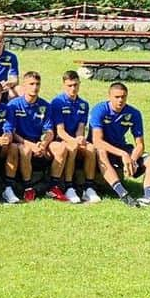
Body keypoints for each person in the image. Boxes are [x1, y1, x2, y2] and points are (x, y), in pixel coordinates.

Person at [89, 81, 150, 208]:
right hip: (103, 149)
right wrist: (122, 154)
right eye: (117, 97)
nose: (120, 100)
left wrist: (132, 160)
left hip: (121, 148)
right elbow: (97, 140)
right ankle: (123, 194)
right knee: (101, 151)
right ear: (109, 96)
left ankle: (149, 197)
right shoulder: (99, 110)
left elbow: (140, 144)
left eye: (123, 97)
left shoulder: (133, 113)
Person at [3, 71, 56, 202]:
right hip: (21, 142)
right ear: (24, 86)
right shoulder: (13, 105)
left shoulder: (45, 105)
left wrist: (43, 144)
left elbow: (49, 130)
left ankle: (55, 187)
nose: (35, 87)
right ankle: (28, 188)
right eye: (31, 84)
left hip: (39, 144)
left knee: (60, 148)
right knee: (25, 150)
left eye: (37, 84)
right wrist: (30, 145)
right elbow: (12, 131)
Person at [47, 70, 99, 204]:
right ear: (64, 85)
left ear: (79, 84)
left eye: (75, 85)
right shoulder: (57, 102)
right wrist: (74, 141)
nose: (73, 88)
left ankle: (89, 187)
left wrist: (80, 138)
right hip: (58, 140)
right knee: (72, 146)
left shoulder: (83, 104)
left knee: (91, 149)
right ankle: (69, 187)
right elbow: (60, 131)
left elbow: (81, 127)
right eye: (69, 85)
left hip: (74, 138)